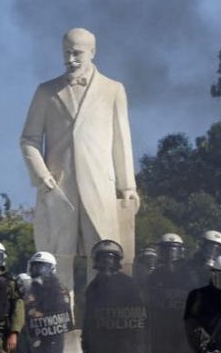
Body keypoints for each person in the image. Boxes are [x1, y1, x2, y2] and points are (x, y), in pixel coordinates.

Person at [21, 27, 139, 292]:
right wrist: (42, 177)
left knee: (107, 253)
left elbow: (122, 142)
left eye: (77, 53)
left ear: (92, 52)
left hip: (101, 187)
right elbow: (28, 139)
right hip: (59, 187)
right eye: (66, 53)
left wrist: (128, 186)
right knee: (58, 256)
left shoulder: (113, 90)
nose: (70, 59)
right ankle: (60, 321)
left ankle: (102, 317)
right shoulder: (46, 91)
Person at [82, 239, 150, 353]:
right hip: (102, 350)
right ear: (96, 261)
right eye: (102, 258)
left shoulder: (129, 284)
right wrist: (87, 346)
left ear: (117, 261)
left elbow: (140, 320)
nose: (106, 262)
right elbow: (88, 320)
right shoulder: (93, 287)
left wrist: (137, 350)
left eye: (111, 258)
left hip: (125, 351)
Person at [22, 252, 72, 353]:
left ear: (51, 269)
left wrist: (41, 313)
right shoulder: (31, 289)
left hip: (53, 339)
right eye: (36, 267)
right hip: (33, 339)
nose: (38, 272)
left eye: (42, 268)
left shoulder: (59, 290)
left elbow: (62, 312)